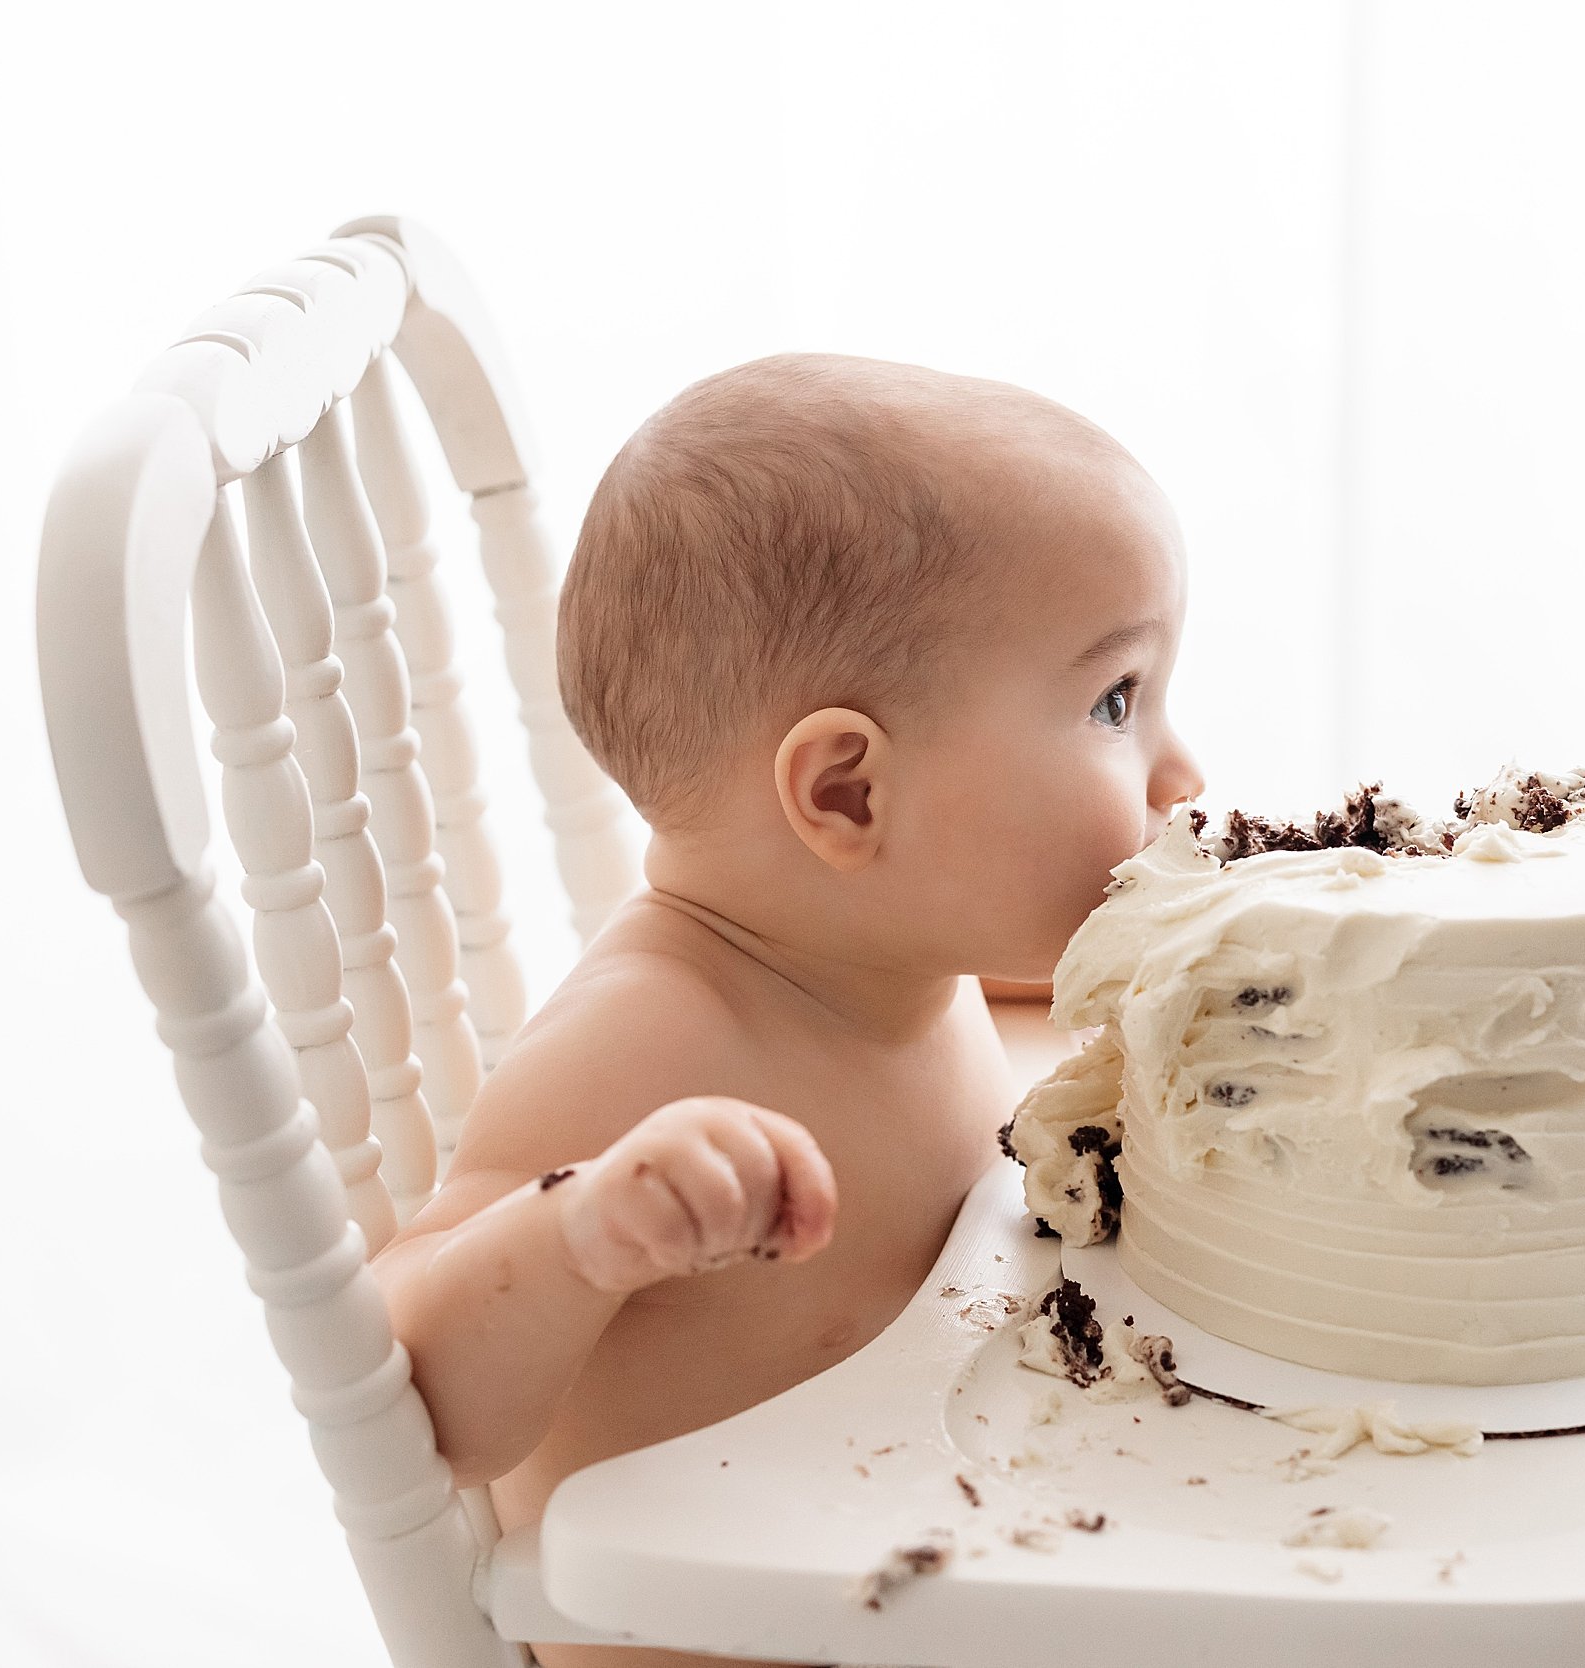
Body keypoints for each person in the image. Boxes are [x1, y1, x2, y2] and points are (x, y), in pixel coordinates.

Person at [366, 353, 1205, 1668]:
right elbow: (409, 1392)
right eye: (1115, 702)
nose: (1181, 767)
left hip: (934, 1566)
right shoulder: (657, 1041)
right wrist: (587, 1227)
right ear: (848, 798)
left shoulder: (895, 962)